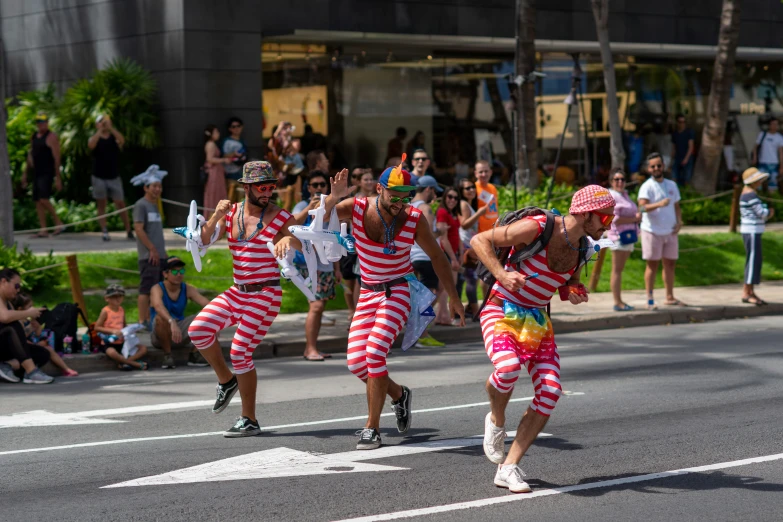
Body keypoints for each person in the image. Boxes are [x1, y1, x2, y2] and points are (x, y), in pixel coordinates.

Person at [471, 185, 614, 493]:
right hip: (501, 310)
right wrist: (502, 274)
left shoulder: (583, 247)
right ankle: (496, 420)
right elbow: (479, 239)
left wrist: (573, 291)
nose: (609, 224)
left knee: (550, 392)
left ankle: (507, 468)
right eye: (605, 217)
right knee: (507, 368)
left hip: (537, 321)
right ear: (585, 213)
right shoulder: (539, 227)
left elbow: (567, 281)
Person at [321, 163, 465, 450]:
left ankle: (371, 428)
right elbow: (318, 223)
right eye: (394, 196)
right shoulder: (358, 207)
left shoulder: (413, 218)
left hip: (398, 290)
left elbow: (437, 257)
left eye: (406, 196)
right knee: (355, 364)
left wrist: (454, 296)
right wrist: (332, 198)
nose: (400, 203)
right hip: (368, 293)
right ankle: (399, 394)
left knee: (374, 354)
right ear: (379, 189)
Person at [188, 161, 304, 438]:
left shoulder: (280, 216)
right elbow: (202, 241)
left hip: (266, 293)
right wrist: (215, 216)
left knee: (240, 351)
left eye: (271, 186)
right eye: (262, 187)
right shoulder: (232, 213)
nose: (267, 192)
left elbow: (301, 241)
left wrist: (289, 241)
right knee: (198, 330)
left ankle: (249, 418)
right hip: (238, 291)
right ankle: (227, 381)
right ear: (247, 187)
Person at [292, 172, 341, 361]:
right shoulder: (302, 205)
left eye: (322, 184)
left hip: (327, 263)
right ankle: (310, 348)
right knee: (316, 305)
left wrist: (336, 269)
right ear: (309, 187)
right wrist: (309, 209)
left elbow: (334, 237)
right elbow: (291, 225)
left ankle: (312, 347)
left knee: (320, 307)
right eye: (315, 184)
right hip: (307, 262)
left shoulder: (333, 207)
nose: (319, 187)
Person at [637, 153, 685, 310]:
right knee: (652, 265)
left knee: (670, 264)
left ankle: (669, 296)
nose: (656, 168)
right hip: (652, 231)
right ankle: (650, 299)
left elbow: (677, 206)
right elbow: (642, 207)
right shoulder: (646, 186)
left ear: (663, 166)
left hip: (670, 231)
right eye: (653, 166)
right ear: (648, 169)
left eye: (659, 165)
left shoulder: (672, 185)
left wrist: (679, 222)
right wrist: (658, 204)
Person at [150, 256, 211, 369]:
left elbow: (207, 304)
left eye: (181, 271)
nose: (179, 274)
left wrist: (218, 321)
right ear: (165, 274)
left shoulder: (187, 288)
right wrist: (171, 321)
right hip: (160, 335)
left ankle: (195, 354)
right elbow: (158, 306)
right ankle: (167, 356)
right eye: (174, 271)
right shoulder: (157, 288)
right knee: (160, 318)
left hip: (180, 331)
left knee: (209, 315)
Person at [409, 176, 448, 348]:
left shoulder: (408, 206)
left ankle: (420, 329)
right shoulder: (425, 208)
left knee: (422, 295)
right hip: (425, 256)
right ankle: (421, 333)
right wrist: (440, 231)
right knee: (435, 291)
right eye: (433, 191)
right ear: (428, 189)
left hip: (411, 256)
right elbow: (429, 237)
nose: (434, 196)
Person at [0, 268, 54, 384]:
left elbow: (19, 333)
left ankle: (6, 365)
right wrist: (28, 313)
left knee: (42, 353)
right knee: (12, 325)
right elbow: (4, 317)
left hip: (4, 348)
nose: (18, 290)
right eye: (16, 286)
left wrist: (33, 326)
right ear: (4, 281)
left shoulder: (8, 302)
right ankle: (31, 372)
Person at [131, 165, 169, 328]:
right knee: (146, 288)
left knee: (157, 289)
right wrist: (152, 249)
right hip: (148, 256)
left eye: (159, 186)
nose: (157, 189)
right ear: (146, 188)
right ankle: (142, 320)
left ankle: (152, 318)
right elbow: (138, 229)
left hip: (160, 255)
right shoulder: (141, 205)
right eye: (154, 186)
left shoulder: (155, 205)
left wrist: (162, 252)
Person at [88, 114, 133, 241]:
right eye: (101, 122)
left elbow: (122, 141)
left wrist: (111, 128)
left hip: (114, 176)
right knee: (101, 203)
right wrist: (99, 130)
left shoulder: (114, 137)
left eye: (105, 122)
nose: (104, 124)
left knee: (120, 203)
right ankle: (104, 231)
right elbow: (91, 145)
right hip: (98, 176)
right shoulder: (95, 137)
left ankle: (128, 230)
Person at [21, 111, 64, 238]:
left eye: (43, 121)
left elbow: (57, 158)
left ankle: (58, 222)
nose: (41, 124)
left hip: (47, 172)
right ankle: (43, 229)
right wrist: (25, 174)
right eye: (39, 121)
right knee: (37, 201)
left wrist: (58, 178)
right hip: (36, 172)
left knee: (44, 199)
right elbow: (30, 155)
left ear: (47, 122)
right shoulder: (34, 136)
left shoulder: (51, 137)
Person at [14, 293, 78, 376]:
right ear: (20, 309)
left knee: (49, 348)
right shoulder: (19, 322)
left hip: (32, 345)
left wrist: (37, 325)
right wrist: (36, 344)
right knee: (46, 349)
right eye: (29, 307)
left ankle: (66, 369)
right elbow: (21, 338)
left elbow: (38, 334)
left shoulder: (28, 321)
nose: (33, 309)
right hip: (25, 348)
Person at [739, 167, 775, 305]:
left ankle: (750, 291)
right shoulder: (750, 195)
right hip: (752, 230)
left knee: (754, 260)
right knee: (753, 261)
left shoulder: (748, 193)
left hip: (753, 230)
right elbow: (762, 213)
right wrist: (769, 212)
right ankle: (747, 292)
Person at [607, 169, 641, 311]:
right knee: (617, 270)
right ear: (611, 182)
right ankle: (617, 302)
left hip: (629, 236)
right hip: (618, 237)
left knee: (620, 270)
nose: (620, 182)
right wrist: (635, 218)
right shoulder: (612, 196)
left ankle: (620, 300)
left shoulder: (625, 195)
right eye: (616, 179)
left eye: (622, 179)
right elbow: (615, 219)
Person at [94, 284, 149, 371]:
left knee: (143, 348)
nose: (118, 299)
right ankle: (135, 364)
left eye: (120, 296)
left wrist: (131, 331)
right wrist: (112, 331)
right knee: (111, 353)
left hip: (122, 342)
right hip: (109, 342)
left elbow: (124, 326)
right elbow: (97, 327)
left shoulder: (121, 310)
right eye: (114, 296)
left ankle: (124, 362)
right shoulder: (105, 311)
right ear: (107, 298)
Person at [457, 179, 488, 319]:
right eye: (467, 188)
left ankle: (465, 309)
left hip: (469, 245)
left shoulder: (469, 204)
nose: (471, 190)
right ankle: (475, 312)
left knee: (465, 280)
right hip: (465, 246)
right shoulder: (463, 204)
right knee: (471, 278)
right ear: (462, 192)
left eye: (472, 187)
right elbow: (464, 225)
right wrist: (479, 213)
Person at [434, 187, 463, 325]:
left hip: (454, 253)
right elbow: (443, 239)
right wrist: (453, 258)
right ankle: (444, 316)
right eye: (450, 197)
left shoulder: (452, 213)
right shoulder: (442, 212)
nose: (453, 200)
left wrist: (461, 254)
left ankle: (441, 316)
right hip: (446, 253)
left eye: (456, 198)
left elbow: (458, 235)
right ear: (445, 197)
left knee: (447, 286)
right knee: (447, 286)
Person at [203, 124, 231, 219]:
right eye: (216, 132)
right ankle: (212, 217)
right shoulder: (210, 144)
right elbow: (209, 159)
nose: (218, 134)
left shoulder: (213, 144)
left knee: (218, 193)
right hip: (213, 173)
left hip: (217, 172)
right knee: (214, 194)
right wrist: (223, 160)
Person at [751, 117, 783, 194]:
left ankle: (771, 201)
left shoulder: (779, 137)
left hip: (774, 163)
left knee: (773, 183)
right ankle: (760, 198)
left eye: (776, 124)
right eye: (773, 124)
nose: (775, 126)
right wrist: (754, 157)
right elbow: (755, 147)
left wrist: (782, 166)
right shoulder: (762, 135)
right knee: (759, 182)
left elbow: (781, 152)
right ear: (769, 125)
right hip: (763, 162)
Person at [221, 117, 248, 203]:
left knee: (241, 200)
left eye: (238, 126)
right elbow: (223, 155)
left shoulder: (242, 141)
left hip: (241, 174)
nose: (236, 128)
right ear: (229, 129)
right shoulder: (227, 141)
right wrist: (234, 154)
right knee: (230, 200)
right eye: (233, 127)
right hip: (230, 174)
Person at [474, 160, 499, 234]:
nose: (484, 174)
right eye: (481, 172)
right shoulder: (473, 189)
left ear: (491, 172)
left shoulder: (492, 188)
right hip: (481, 232)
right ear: (476, 173)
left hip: (494, 230)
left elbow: (495, 209)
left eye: (486, 171)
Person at [670, 114, 695, 185]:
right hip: (677, 157)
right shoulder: (675, 133)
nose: (682, 124)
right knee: (674, 177)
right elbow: (673, 148)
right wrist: (671, 161)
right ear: (677, 122)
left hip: (687, 157)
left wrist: (686, 159)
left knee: (687, 178)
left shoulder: (689, 132)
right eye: (680, 122)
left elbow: (691, 146)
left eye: (684, 122)